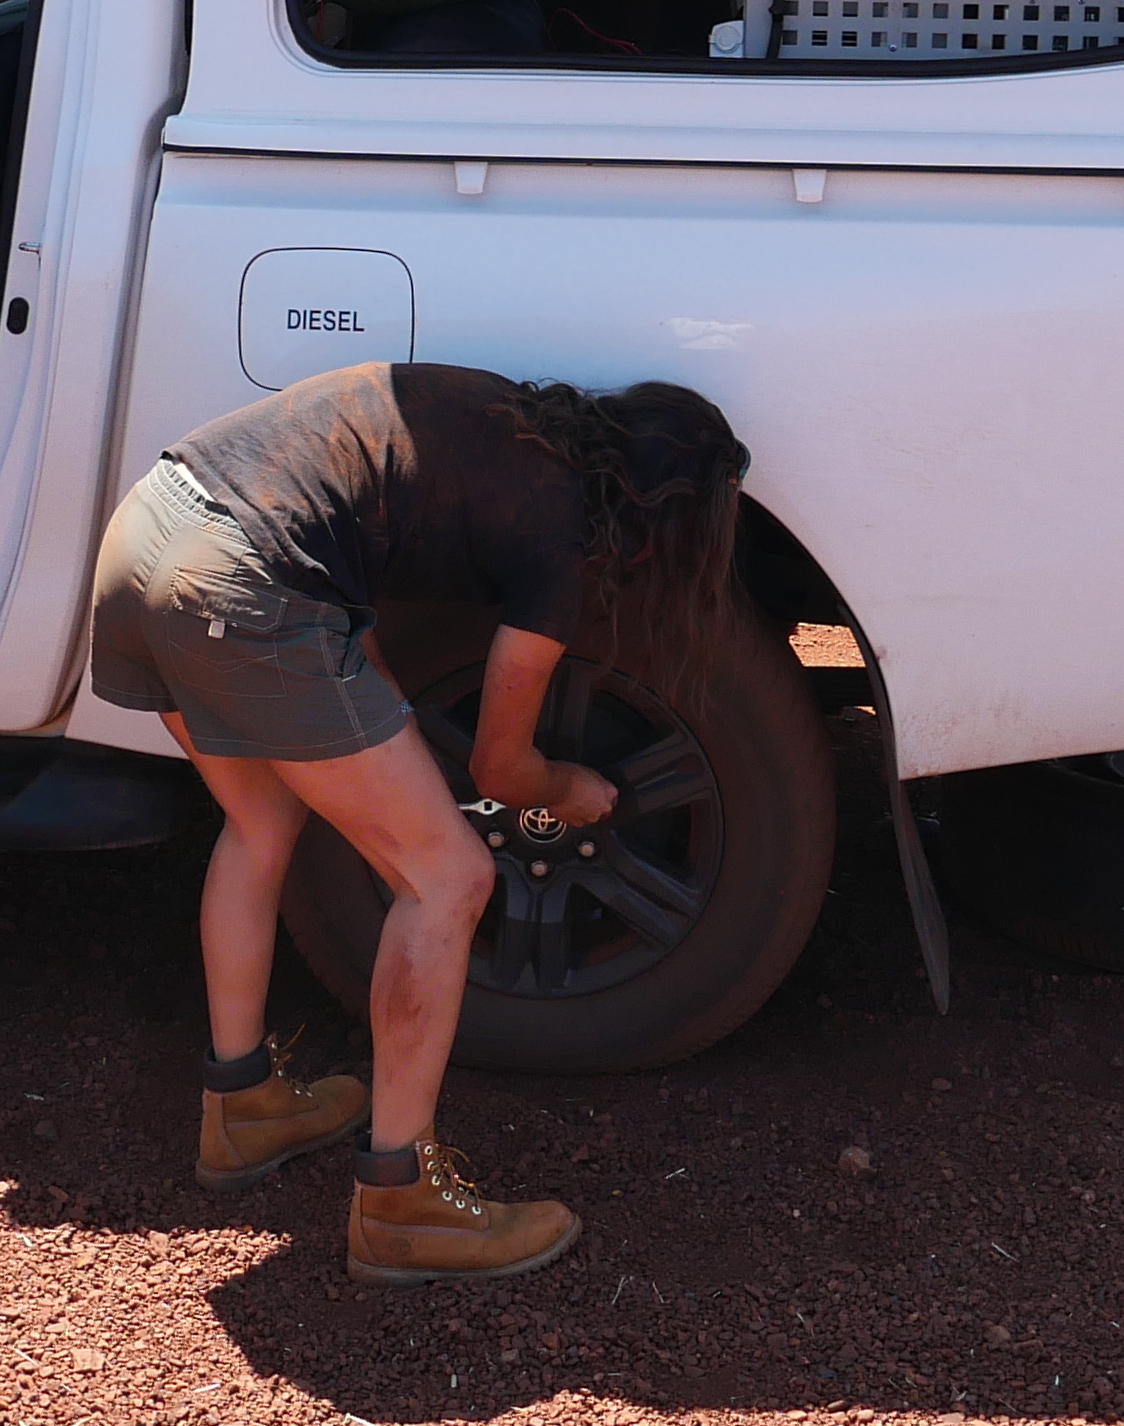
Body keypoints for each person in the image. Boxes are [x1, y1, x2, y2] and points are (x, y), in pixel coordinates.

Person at [85, 362, 748, 1285]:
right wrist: (565, 786)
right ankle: (402, 1204)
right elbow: (499, 768)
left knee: (259, 822)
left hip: (149, 533)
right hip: (243, 587)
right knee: (451, 879)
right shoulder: (559, 546)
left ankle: (242, 1111)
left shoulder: (499, 418)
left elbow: (350, 619)